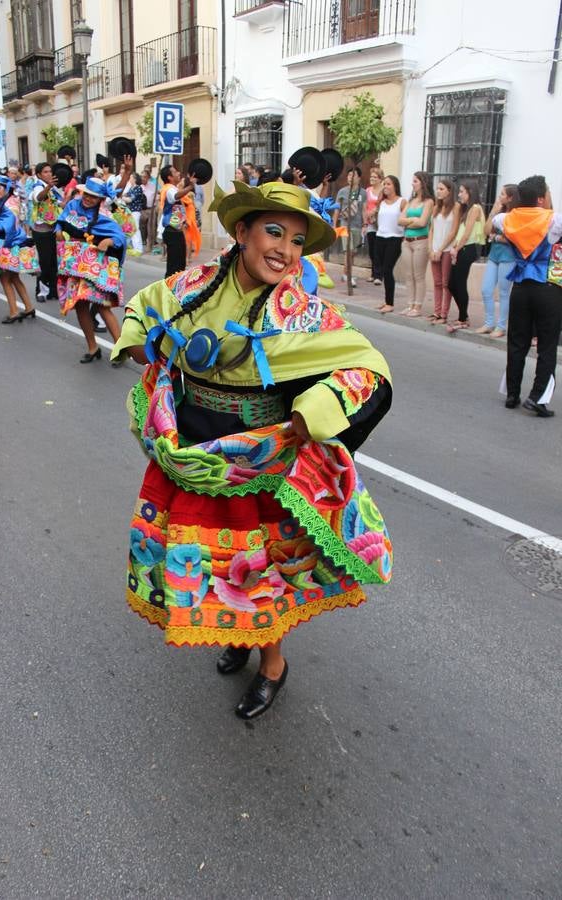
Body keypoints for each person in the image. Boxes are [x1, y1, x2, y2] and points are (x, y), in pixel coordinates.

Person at [111, 180, 394, 719]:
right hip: (192, 450)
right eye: (273, 232)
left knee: (260, 567)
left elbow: (368, 365)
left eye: (295, 241)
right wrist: (134, 338)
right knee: (217, 557)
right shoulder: (193, 286)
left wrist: (314, 411)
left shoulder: (301, 312)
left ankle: (273, 665)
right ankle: (238, 636)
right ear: (241, 232)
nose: (284, 251)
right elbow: (147, 305)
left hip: (260, 464)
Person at [493, 175, 562, 416]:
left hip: (520, 287)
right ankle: (538, 397)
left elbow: (497, 218)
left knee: (517, 341)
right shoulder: (553, 220)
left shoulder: (507, 219)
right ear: (541, 199)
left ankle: (512, 394)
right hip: (548, 287)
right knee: (547, 345)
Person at [55, 176, 127, 363]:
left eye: (93, 197)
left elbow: (120, 237)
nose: (88, 198)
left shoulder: (104, 216)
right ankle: (92, 347)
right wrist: (57, 230)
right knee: (80, 306)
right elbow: (61, 221)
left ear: (100, 200)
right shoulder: (72, 206)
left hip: (96, 267)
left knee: (102, 306)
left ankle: (121, 349)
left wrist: (108, 241)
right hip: (73, 264)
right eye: (87, 194)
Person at [0, 176, 39, 323]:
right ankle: (28, 307)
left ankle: (14, 311)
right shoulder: (5, 202)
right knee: (13, 277)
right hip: (12, 243)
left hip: (12, 244)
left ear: (7, 188)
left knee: (4, 277)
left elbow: (9, 223)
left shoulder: (11, 203)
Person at [477, 184, 519, 338]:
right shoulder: (499, 212)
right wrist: (493, 212)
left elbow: (512, 238)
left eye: (502, 194)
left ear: (511, 197)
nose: (499, 196)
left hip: (508, 257)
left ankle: (501, 326)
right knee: (486, 289)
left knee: (503, 292)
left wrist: (496, 237)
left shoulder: (516, 214)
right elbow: (486, 230)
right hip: (494, 255)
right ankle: (489, 323)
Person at [447, 180, 485, 332]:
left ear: (470, 192)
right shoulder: (465, 209)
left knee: (459, 282)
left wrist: (457, 248)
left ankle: (463, 318)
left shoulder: (475, 208)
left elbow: (468, 233)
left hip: (468, 249)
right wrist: (455, 247)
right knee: (451, 283)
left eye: (462, 191)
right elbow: (461, 232)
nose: (460, 195)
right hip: (461, 247)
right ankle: (463, 315)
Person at [398, 171, 434, 317]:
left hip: (421, 241)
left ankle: (417, 306)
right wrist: (413, 221)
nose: (412, 184)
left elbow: (423, 222)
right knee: (408, 274)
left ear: (423, 183)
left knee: (418, 275)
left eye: (415, 181)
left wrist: (409, 221)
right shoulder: (410, 201)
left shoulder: (429, 202)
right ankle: (410, 303)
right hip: (407, 241)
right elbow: (400, 220)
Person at [30, 162, 64, 301]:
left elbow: (60, 203)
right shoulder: (38, 186)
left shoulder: (53, 188)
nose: (49, 174)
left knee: (53, 262)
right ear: (39, 174)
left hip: (53, 229)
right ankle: (41, 291)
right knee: (44, 261)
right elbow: (38, 198)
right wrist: (49, 186)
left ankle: (53, 290)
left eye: (50, 171)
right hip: (41, 230)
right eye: (45, 172)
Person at [428, 178, 459, 325]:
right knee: (437, 282)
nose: (438, 191)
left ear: (449, 191)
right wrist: (431, 248)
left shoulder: (456, 207)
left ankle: (444, 314)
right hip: (435, 249)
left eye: (441, 189)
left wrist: (441, 249)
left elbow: (453, 231)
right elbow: (432, 230)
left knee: (446, 283)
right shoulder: (436, 207)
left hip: (446, 249)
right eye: (437, 189)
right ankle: (437, 310)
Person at [374, 176, 405, 314]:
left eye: (388, 184)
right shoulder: (382, 202)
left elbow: (404, 220)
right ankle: (386, 300)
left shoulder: (401, 202)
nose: (385, 186)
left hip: (395, 238)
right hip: (381, 236)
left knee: (387, 269)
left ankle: (390, 303)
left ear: (395, 186)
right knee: (381, 269)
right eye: (384, 184)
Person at [158, 164, 196, 277]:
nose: (178, 173)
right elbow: (175, 196)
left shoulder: (173, 188)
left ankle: (174, 289)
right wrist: (189, 187)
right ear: (169, 177)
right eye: (175, 172)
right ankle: (169, 290)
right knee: (174, 267)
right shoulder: (168, 189)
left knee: (179, 265)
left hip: (176, 230)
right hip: (172, 231)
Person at [334, 167, 366, 287]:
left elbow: (364, 209)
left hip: (357, 225)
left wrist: (365, 224)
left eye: (353, 175)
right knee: (349, 250)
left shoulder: (363, 193)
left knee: (353, 252)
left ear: (359, 178)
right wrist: (334, 224)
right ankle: (349, 276)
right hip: (344, 224)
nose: (350, 178)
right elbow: (337, 209)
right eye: (349, 175)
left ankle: (345, 273)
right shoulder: (342, 192)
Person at [364, 167, 384, 284]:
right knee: (372, 249)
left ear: (380, 179)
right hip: (371, 223)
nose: (372, 179)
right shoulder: (368, 190)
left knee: (379, 249)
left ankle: (379, 275)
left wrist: (375, 211)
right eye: (371, 177)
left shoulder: (383, 190)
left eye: (375, 177)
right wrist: (366, 219)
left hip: (381, 222)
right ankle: (373, 273)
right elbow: (365, 205)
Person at [125, 172, 146, 254]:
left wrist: (124, 198)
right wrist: (124, 197)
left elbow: (130, 199)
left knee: (136, 229)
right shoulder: (131, 188)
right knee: (131, 229)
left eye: (131, 177)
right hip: (130, 211)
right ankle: (134, 246)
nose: (129, 179)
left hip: (135, 211)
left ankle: (139, 248)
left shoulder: (138, 188)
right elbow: (125, 195)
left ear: (135, 179)